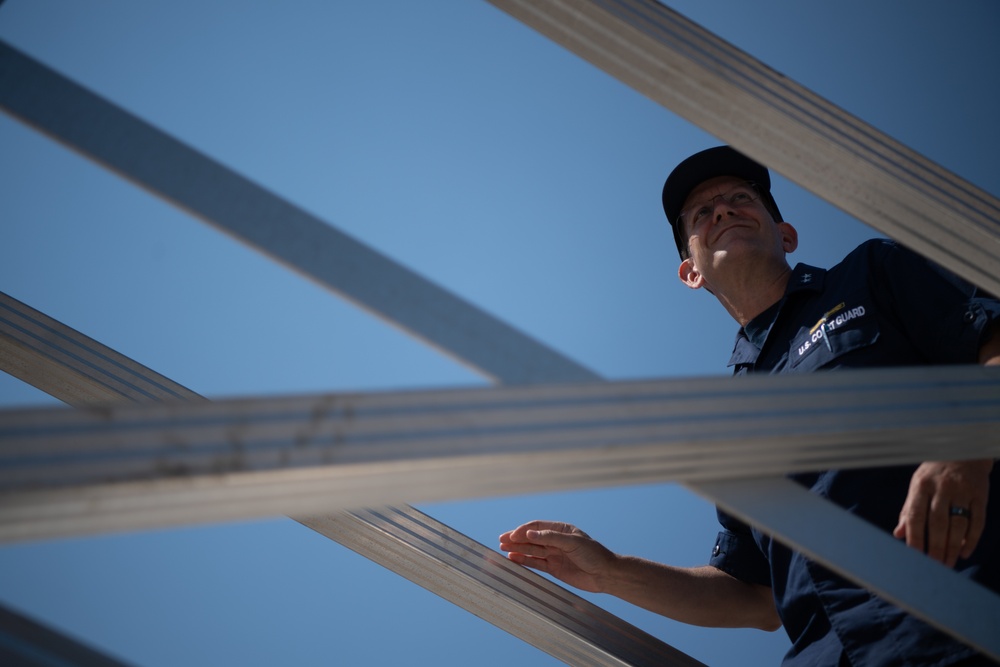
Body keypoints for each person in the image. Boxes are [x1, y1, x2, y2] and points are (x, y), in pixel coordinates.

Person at [500, 146, 1000, 666]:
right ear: (690, 272)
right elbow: (755, 596)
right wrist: (609, 571)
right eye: (701, 214)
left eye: (740, 199)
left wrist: (967, 448)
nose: (722, 210)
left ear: (786, 235)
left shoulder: (874, 271)